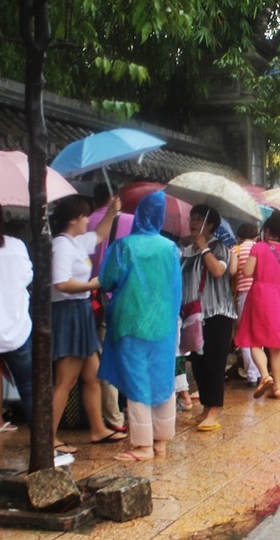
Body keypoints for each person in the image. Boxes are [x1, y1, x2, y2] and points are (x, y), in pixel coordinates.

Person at [0, 203, 73, 477]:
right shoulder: (16, 246)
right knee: (31, 390)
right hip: (16, 329)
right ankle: (47, 452)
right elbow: (28, 277)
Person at [98, 191, 182, 461]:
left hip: (130, 321)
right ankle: (160, 442)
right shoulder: (170, 248)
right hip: (163, 323)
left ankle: (143, 445)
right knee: (162, 378)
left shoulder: (125, 246)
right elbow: (176, 289)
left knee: (137, 380)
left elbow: (107, 279)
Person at [50, 195, 128, 453]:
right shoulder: (61, 246)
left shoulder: (75, 242)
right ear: (73, 219)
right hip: (68, 311)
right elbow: (61, 283)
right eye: (84, 216)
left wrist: (111, 213)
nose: (87, 221)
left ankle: (97, 428)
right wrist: (93, 284)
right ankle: (47, 437)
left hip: (81, 311)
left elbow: (99, 235)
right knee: (66, 380)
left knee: (93, 376)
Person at [179, 204, 238, 432]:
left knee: (214, 362)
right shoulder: (187, 248)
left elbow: (218, 271)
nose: (193, 222)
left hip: (217, 313)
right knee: (199, 363)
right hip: (193, 315)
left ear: (210, 224)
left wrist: (204, 248)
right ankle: (205, 407)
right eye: (191, 217)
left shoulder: (219, 247)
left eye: (199, 219)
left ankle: (214, 410)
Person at [235, 210, 280, 400]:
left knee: (254, 341)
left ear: (267, 231)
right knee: (275, 347)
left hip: (260, 296)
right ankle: (277, 387)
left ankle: (265, 375)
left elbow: (247, 272)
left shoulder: (259, 248)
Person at [88, 183, 132, 433]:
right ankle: (126, 412)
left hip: (93, 299)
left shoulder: (85, 224)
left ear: (95, 202)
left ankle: (114, 417)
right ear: (116, 199)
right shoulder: (132, 222)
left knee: (103, 357)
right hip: (127, 298)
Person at [234, 222, 260, 386]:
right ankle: (260, 372)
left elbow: (232, 271)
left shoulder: (236, 250)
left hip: (243, 294)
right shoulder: (260, 249)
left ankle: (251, 375)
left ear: (239, 237)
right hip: (260, 294)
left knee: (244, 333)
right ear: (255, 237)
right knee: (258, 334)